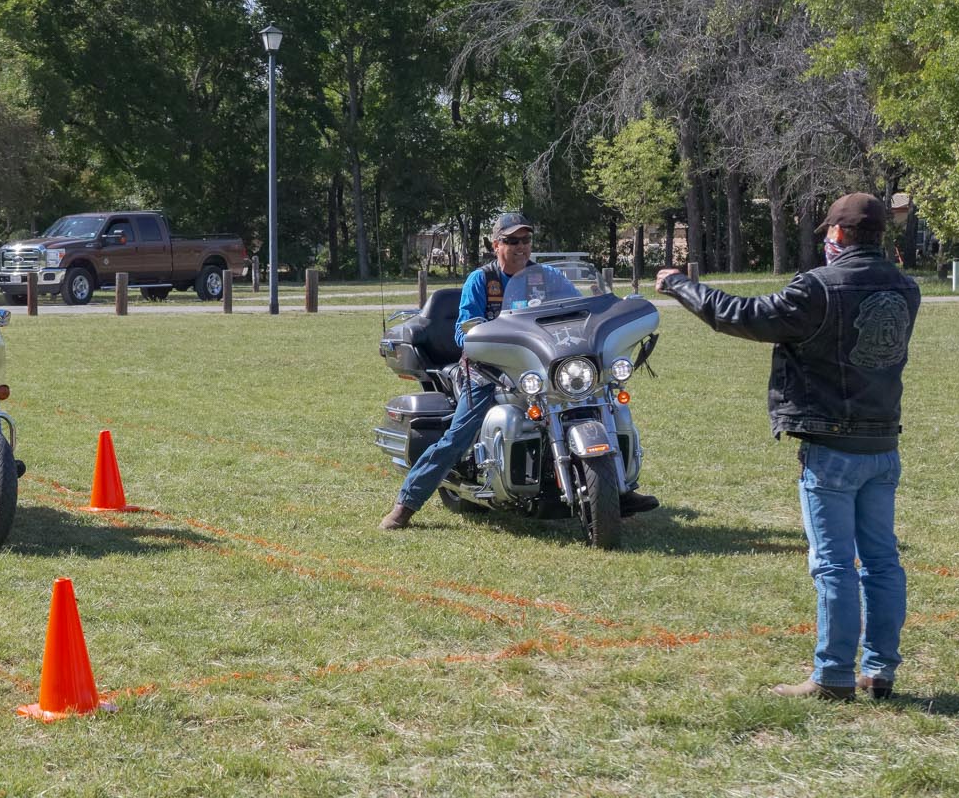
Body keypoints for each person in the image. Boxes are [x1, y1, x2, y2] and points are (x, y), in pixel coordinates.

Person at [655, 192, 921, 701]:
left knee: (834, 564)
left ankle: (833, 675)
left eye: (828, 234)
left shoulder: (818, 288)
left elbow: (741, 314)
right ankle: (879, 670)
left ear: (838, 234)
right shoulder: (905, 287)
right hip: (883, 443)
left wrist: (680, 285)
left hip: (830, 445)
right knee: (883, 562)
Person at [380, 212, 658, 529]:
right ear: (496, 245)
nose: (520, 246)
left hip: (537, 366)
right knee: (457, 438)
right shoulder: (481, 281)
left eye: (525, 240)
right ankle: (406, 504)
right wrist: (479, 335)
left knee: (601, 404)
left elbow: (581, 311)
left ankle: (618, 490)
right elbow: (462, 332)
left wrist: (610, 310)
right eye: (512, 240)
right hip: (486, 371)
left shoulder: (548, 277)